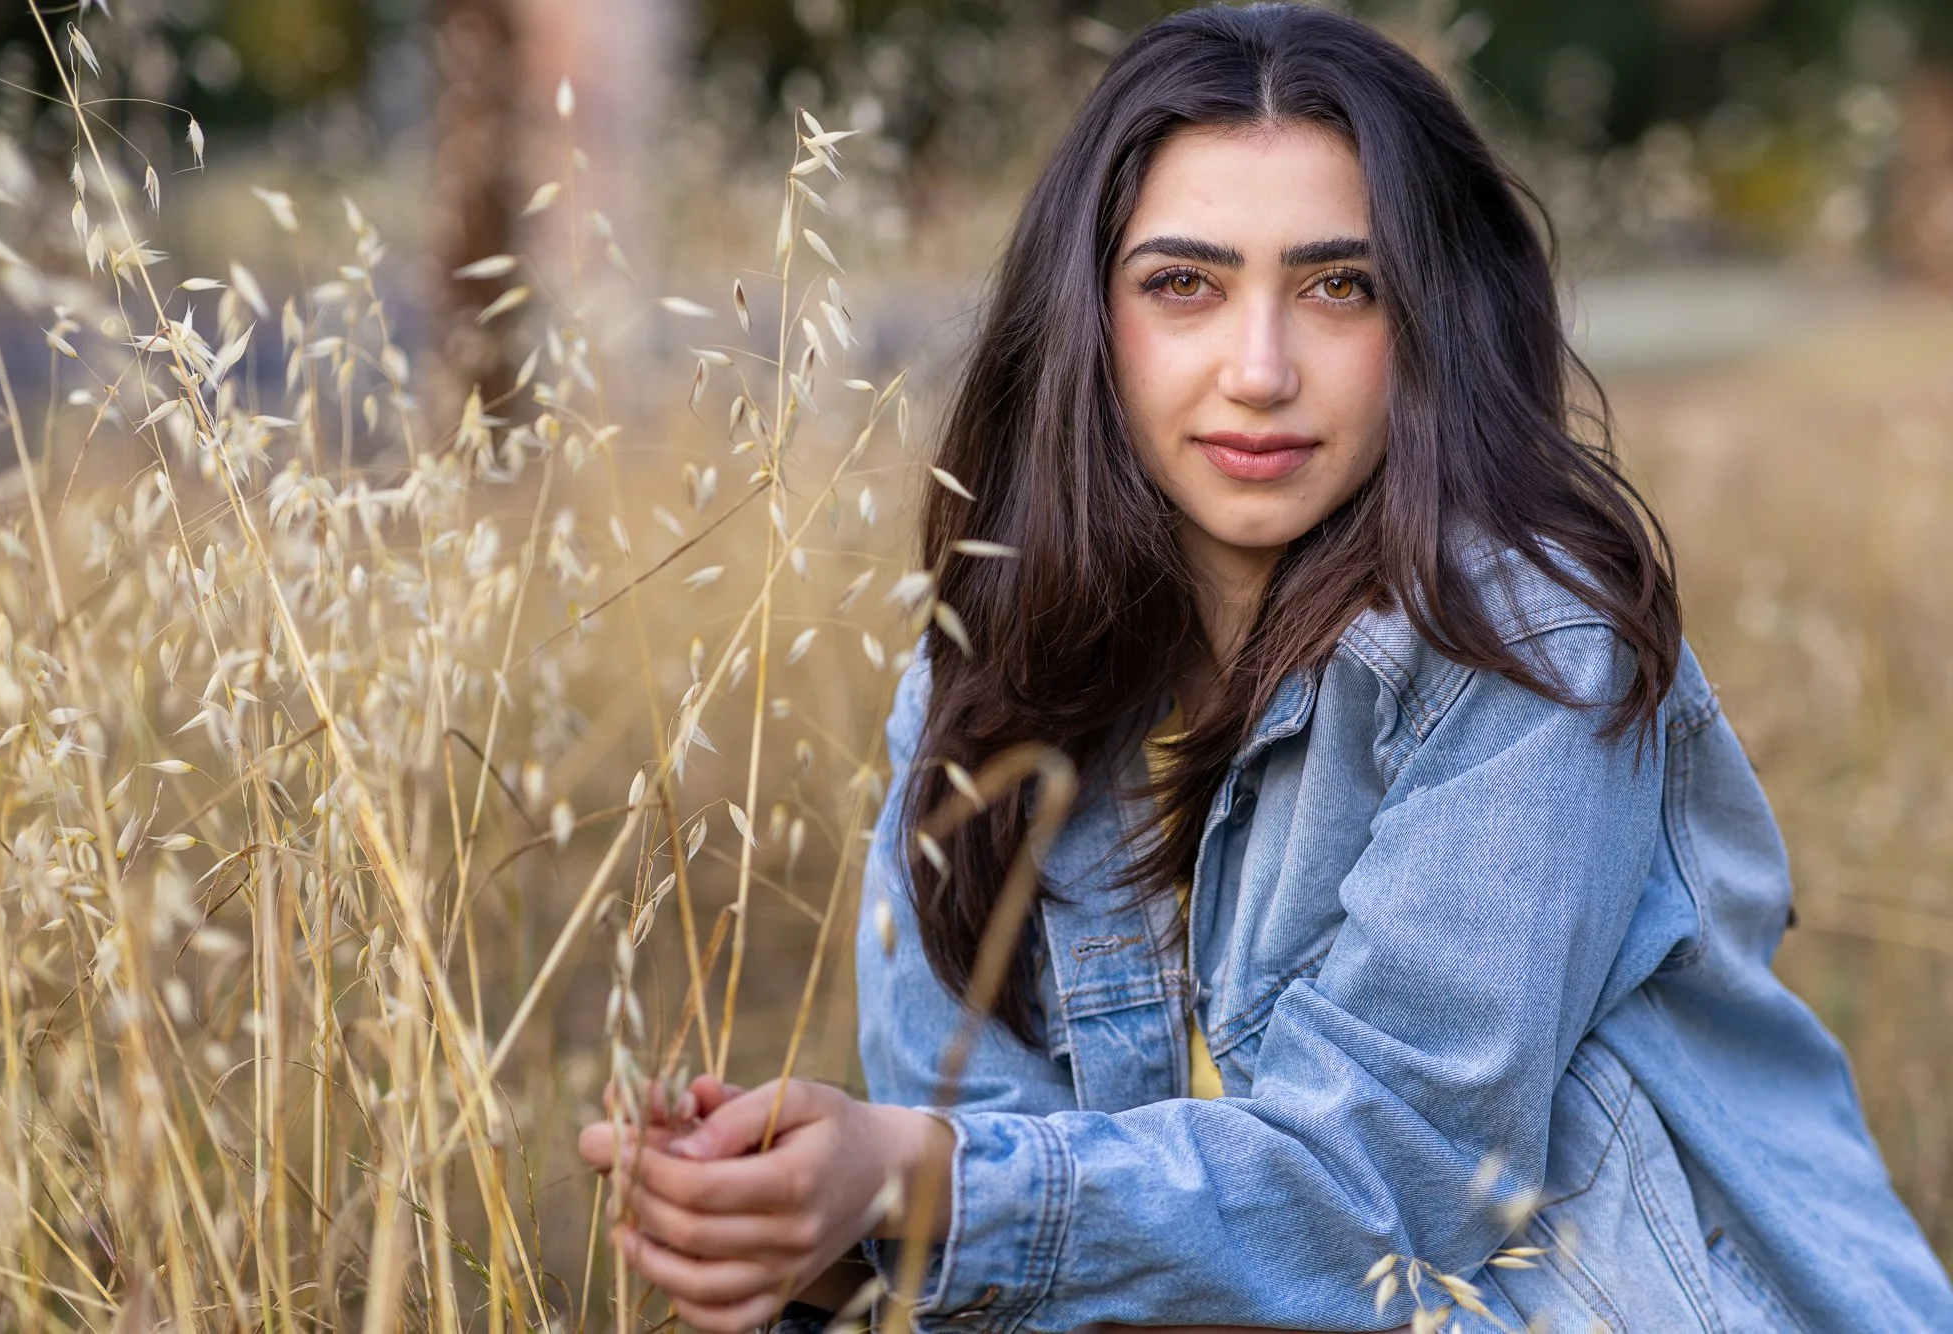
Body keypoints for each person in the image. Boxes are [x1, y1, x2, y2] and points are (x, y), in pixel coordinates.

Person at [577, 5, 1953, 1330]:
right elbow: (1021, 1224)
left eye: (1338, 286)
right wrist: (799, 1231)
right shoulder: (981, 692)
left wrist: (910, 1182)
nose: (1258, 368)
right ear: (1086, 320)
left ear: (1428, 322)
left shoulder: (1524, 646)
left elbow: (1394, 1193)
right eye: (1183, 284)